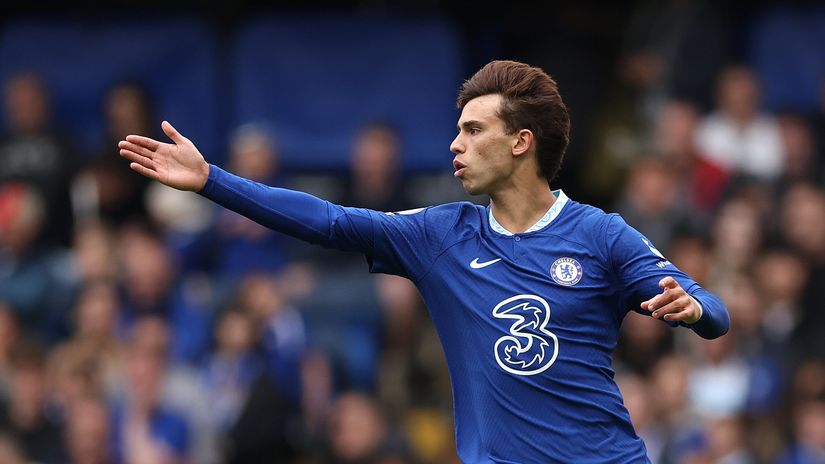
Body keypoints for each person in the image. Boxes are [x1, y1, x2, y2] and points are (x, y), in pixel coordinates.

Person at [118, 60, 729, 463]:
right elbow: (330, 221)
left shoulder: (599, 234)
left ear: (521, 143)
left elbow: (715, 310)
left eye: (471, 130)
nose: (454, 146)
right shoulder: (441, 234)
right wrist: (213, 182)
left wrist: (694, 307)